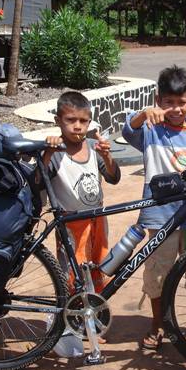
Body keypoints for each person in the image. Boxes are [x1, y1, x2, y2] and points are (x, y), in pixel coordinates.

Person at [122, 65, 186, 350]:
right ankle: (158, 323)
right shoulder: (151, 129)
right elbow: (129, 130)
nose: (176, 109)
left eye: (182, 102)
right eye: (168, 103)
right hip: (160, 216)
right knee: (158, 273)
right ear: (158, 100)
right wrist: (143, 114)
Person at [44, 91, 121, 294]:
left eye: (83, 121)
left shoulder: (93, 148)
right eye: (71, 120)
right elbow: (38, 181)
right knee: (72, 271)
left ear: (89, 123)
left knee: (98, 264)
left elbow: (113, 178)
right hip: (70, 223)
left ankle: (94, 305)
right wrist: (48, 152)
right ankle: (74, 309)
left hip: (97, 219)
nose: (77, 126)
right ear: (58, 121)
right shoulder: (55, 153)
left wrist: (107, 156)